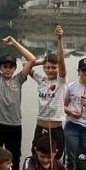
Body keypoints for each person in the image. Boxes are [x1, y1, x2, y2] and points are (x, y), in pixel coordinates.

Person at [0, 21, 37, 170]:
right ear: (0, 66)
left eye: (11, 66)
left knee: (14, 156)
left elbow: (32, 60)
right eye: (4, 66)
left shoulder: (19, 79)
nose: (7, 68)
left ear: (14, 68)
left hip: (14, 125)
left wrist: (14, 43)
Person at [28, 25, 67, 158]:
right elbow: (27, 65)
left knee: (56, 157)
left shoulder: (60, 81)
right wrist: (42, 61)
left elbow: (61, 61)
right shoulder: (41, 80)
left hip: (55, 128)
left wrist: (60, 39)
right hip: (40, 126)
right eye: (47, 67)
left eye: (53, 67)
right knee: (36, 155)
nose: (50, 70)